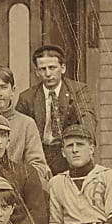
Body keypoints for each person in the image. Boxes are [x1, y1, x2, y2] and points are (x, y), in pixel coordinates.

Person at [16, 45, 97, 175]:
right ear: (37, 72)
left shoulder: (77, 91)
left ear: (63, 68)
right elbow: (19, 132)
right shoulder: (27, 98)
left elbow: (87, 119)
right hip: (39, 153)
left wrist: (83, 149)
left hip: (69, 151)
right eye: (43, 69)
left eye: (52, 68)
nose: (48, 74)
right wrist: (38, 163)